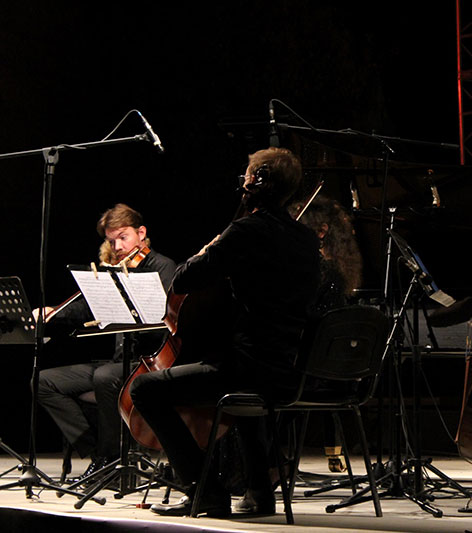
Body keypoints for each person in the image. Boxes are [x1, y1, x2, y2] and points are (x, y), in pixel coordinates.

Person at [129, 147, 320, 517]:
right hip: (292, 370)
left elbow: (184, 278)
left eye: (248, 177)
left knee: (144, 389)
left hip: (250, 369)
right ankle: (259, 492)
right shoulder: (306, 239)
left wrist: (211, 248)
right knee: (243, 388)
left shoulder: (245, 231)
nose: (244, 184)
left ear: (257, 183)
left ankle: (205, 491)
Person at [37, 204, 176, 480]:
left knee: (104, 377)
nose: (118, 245)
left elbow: (164, 321)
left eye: (123, 237)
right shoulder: (113, 269)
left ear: (141, 233)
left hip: (147, 362)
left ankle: (112, 460)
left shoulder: (162, 266)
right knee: (42, 382)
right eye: (112, 240)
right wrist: (53, 313)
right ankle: (102, 455)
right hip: (116, 363)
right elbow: (86, 308)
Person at [293, 194, 363, 472]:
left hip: (316, 370)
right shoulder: (334, 267)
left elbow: (308, 318)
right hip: (329, 366)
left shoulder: (321, 270)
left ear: (321, 232)